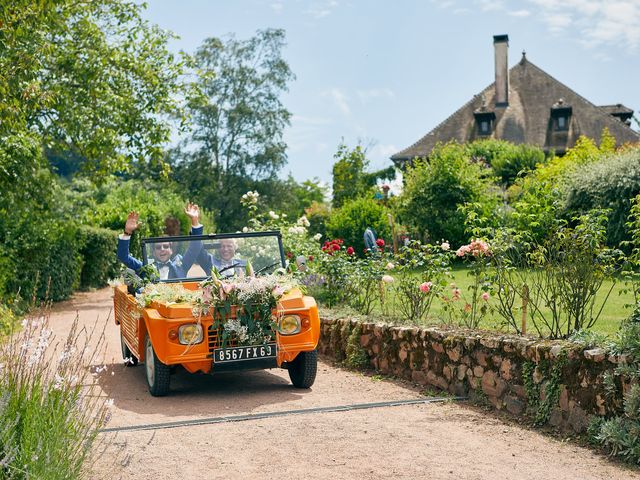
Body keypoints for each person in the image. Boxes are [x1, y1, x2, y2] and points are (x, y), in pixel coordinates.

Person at [117, 203, 204, 281]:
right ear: (154, 252)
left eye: (166, 246)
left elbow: (195, 248)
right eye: (158, 247)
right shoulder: (146, 267)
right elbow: (123, 256)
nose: (162, 249)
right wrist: (127, 232)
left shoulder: (181, 265)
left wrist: (195, 220)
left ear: (171, 250)